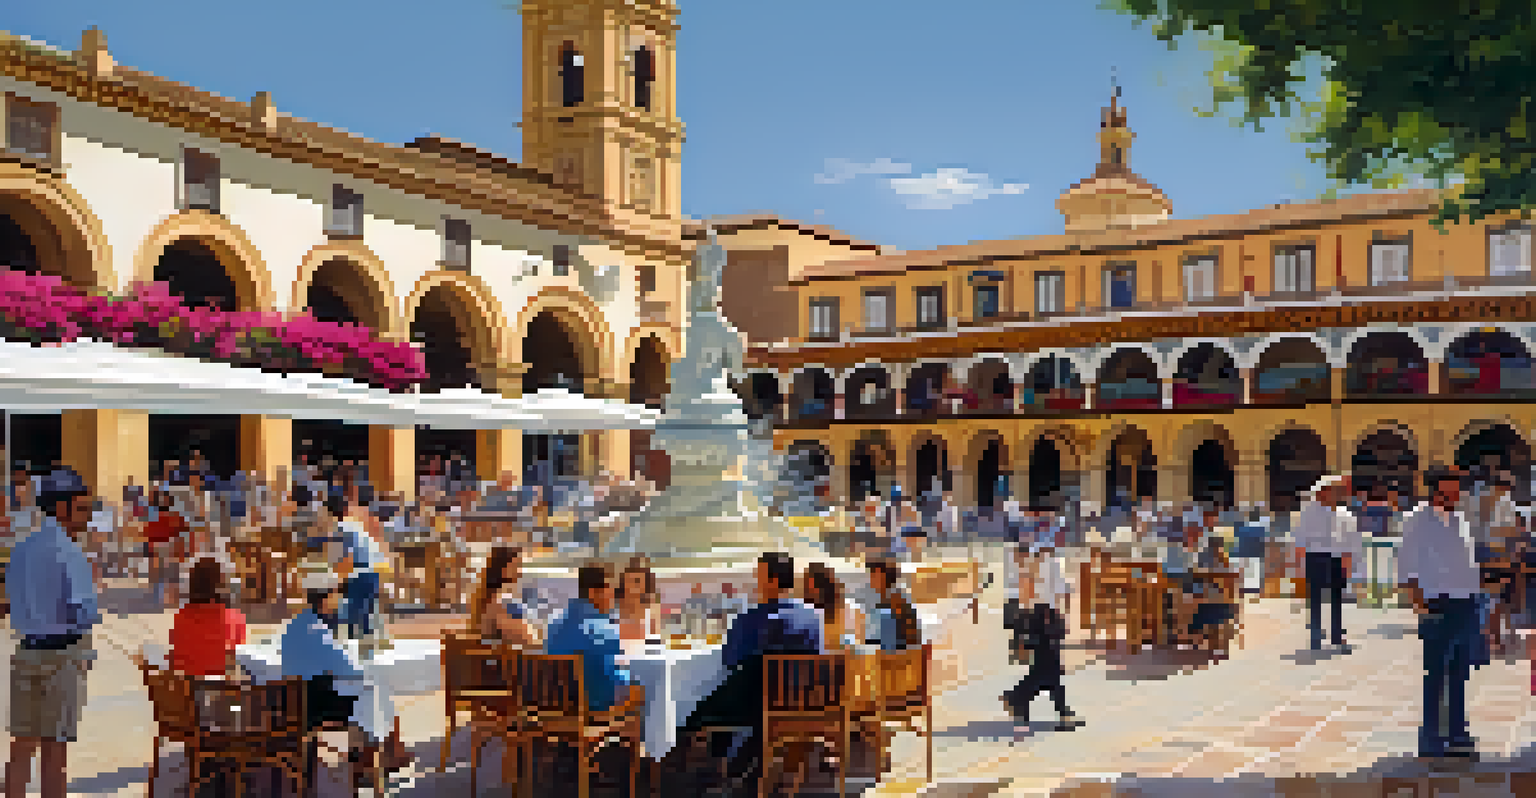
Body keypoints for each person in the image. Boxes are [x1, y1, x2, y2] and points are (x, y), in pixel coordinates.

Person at [674, 552, 822, 791]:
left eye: (759, 576)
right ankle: (740, 769)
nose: (755, 581)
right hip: (802, 703)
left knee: (700, 706)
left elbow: (729, 660)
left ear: (773, 581)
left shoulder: (751, 618)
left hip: (758, 706)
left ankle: (711, 770)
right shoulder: (814, 616)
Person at [3, 468, 100, 798]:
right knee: (55, 751)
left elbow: (10, 600)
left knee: (22, 745)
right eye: (82, 508)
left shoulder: (23, 548)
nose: (87, 517)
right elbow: (84, 612)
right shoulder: (69, 551)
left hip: (26, 651)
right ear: (63, 508)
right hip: (63, 656)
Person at [280, 572, 412, 782]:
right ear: (327, 597)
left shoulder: (295, 626)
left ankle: (382, 756)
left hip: (298, 702)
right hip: (317, 705)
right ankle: (372, 761)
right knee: (373, 690)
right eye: (337, 594)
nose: (341, 599)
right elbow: (348, 667)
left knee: (371, 692)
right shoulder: (317, 631)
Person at [1399, 467, 1481, 761]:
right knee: (1435, 674)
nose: (1458, 493)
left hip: (1466, 603)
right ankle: (1431, 738)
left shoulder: (1460, 519)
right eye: (1453, 488)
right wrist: (1419, 605)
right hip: (1437, 603)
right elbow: (1407, 565)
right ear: (1437, 490)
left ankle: (1457, 733)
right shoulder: (1417, 520)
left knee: (1460, 673)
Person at [544, 563, 641, 712]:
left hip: (557, 708)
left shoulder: (554, 623)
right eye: (610, 589)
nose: (614, 595)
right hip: (592, 709)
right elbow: (610, 677)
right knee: (645, 687)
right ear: (592, 593)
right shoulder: (601, 628)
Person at [1293, 475, 1360, 650]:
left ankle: (1337, 635)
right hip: (1315, 556)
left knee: (1336, 598)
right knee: (1315, 598)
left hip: (1336, 558)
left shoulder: (1343, 513)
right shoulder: (1307, 513)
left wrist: (1349, 562)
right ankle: (1315, 636)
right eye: (1329, 491)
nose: (1332, 495)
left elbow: (1350, 540)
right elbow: (1299, 539)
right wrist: (1299, 566)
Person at [1001, 601, 1083, 732]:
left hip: (1047, 655)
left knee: (1049, 683)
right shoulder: (1037, 618)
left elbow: (1056, 634)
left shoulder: (1048, 618)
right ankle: (1017, 699)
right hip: (1044, 653)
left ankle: (1016, 698)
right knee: (1046, 681)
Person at [169, 557, 248, 677]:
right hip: (222, 690)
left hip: (186, 690)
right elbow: (237, 657)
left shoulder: (180, 617)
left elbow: (178, 657)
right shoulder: (235, 619)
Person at [331, 492, 383, 638]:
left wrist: (338, 576)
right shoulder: (353, 527)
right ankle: (364, 636)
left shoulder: (342, 529)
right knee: (365, 611)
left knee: (356, 610)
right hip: (369, 571)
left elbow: (347, 555)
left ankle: (355, 636)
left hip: (360, 572)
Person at [469, 546, 541, 647]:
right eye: (519, 565)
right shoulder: (504, 600)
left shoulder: (488, 597)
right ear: (505, 569)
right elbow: (526, 639)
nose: (522, 571)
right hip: (509, 660)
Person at [802, 562, 864, 651]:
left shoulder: (850, 610)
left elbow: (854, 645)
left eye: (809, 588)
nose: (806, 593)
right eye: (806, 588)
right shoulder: (807, 613)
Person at [867, 557, 922, 651]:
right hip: (907, 654)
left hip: (898, 657)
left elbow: (888, 644)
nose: (870, 581)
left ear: (882, 577)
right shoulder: (896, 597)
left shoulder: (889, 602)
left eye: (873, 576)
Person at [616, 557, 660, 641]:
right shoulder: (614, 609)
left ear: (646, 585)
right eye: (627, 581)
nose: (630, 586)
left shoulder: (652, 611)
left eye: (637, 581)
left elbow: (655, 640)